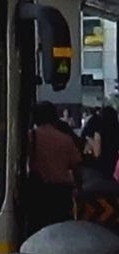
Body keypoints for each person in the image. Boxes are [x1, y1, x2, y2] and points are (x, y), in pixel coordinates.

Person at [27, 100, 82, 234]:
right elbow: (76, 166)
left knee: (38, 231)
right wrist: (78, 187)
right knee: (60, 232)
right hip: (62, 193)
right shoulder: (65, 139)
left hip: (38, 192)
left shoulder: (30, 137)